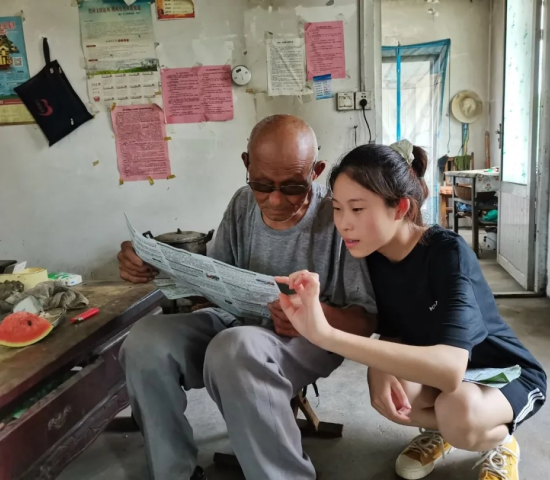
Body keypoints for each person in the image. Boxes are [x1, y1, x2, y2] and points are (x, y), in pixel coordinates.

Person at [117, 115, 376, 480]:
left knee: (234, 348)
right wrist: (150, 263)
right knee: (144, 340)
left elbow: (365, 319)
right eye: (261, 184)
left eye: (292, 187)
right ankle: (174, 472)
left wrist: (311, 316)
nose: (275, 199)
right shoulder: (242, 204)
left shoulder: (337, 215)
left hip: (308, 338)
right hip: (236, 323)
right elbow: (214, 278)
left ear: (315, 172)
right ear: (247, 165)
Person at [275, 141, 547, 480]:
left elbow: (449, 369)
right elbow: (395, 327)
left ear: (400, 207)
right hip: (439, 370)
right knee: (390, 389)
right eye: (338, 208)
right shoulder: (368, 256)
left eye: (357, 209)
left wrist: (326, 335)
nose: (343, 223)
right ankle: (443, 432)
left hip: (501, 370)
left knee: (458, 409)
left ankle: (501, 439)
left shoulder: (446, 253)